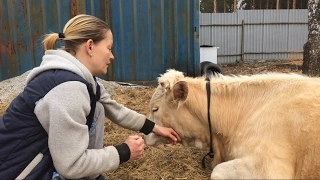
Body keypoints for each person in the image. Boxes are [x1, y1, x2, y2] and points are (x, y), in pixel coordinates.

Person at [0, 14, 180, 180]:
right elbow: (70, 165)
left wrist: (154, 128)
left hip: (37, 164)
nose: (112, 56)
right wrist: (123, 152)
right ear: (90, 46)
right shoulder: (68, 89)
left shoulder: (80, 79)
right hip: (19, 172)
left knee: (99, 107)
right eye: (109, 48)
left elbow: (113, 108)